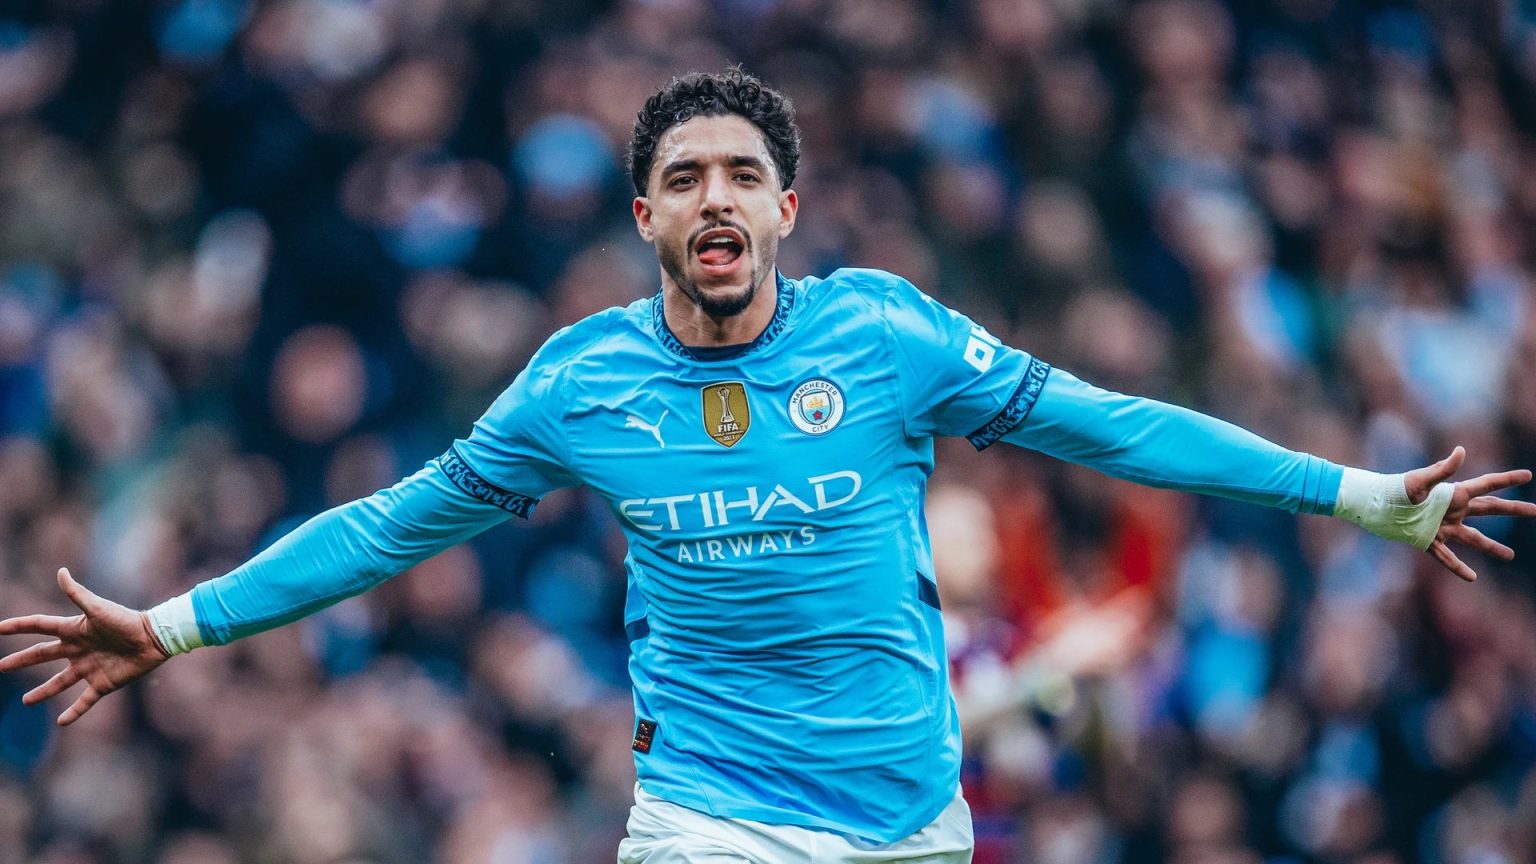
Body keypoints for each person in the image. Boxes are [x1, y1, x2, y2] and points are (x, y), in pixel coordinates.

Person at [2, 68, 1532, 863]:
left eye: (744, 174)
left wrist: (1356, 494)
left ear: (787, 210)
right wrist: (178, 625)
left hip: (908, 816)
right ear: (648, 220)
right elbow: (390, 529)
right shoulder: (581, 385)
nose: (716, 197)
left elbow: (1120, 427)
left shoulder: (888, 339)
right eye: (685, 180)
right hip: (709, 816)